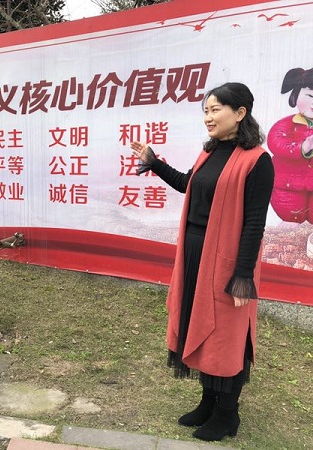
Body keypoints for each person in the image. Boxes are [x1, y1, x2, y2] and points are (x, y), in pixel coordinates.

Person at [130, 82, 274, 442]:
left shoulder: (258, 161)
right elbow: (186, 184)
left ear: (239, 113)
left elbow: (254, 223)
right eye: (205, 111)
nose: (208, 117)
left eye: (215, 110)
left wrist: (243, 275)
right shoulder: (209, 153)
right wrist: (154, 163)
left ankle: (227, 414)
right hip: (196, 253)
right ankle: (208, 402)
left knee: (227, 335)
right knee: (200, 326)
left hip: (227, 261)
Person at [267, 68, 313, 225]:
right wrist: (302, 147)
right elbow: (275, 141)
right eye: (310, 96)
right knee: (291, 215)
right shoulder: (287, 124)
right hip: (286, 183)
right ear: (296, 94)